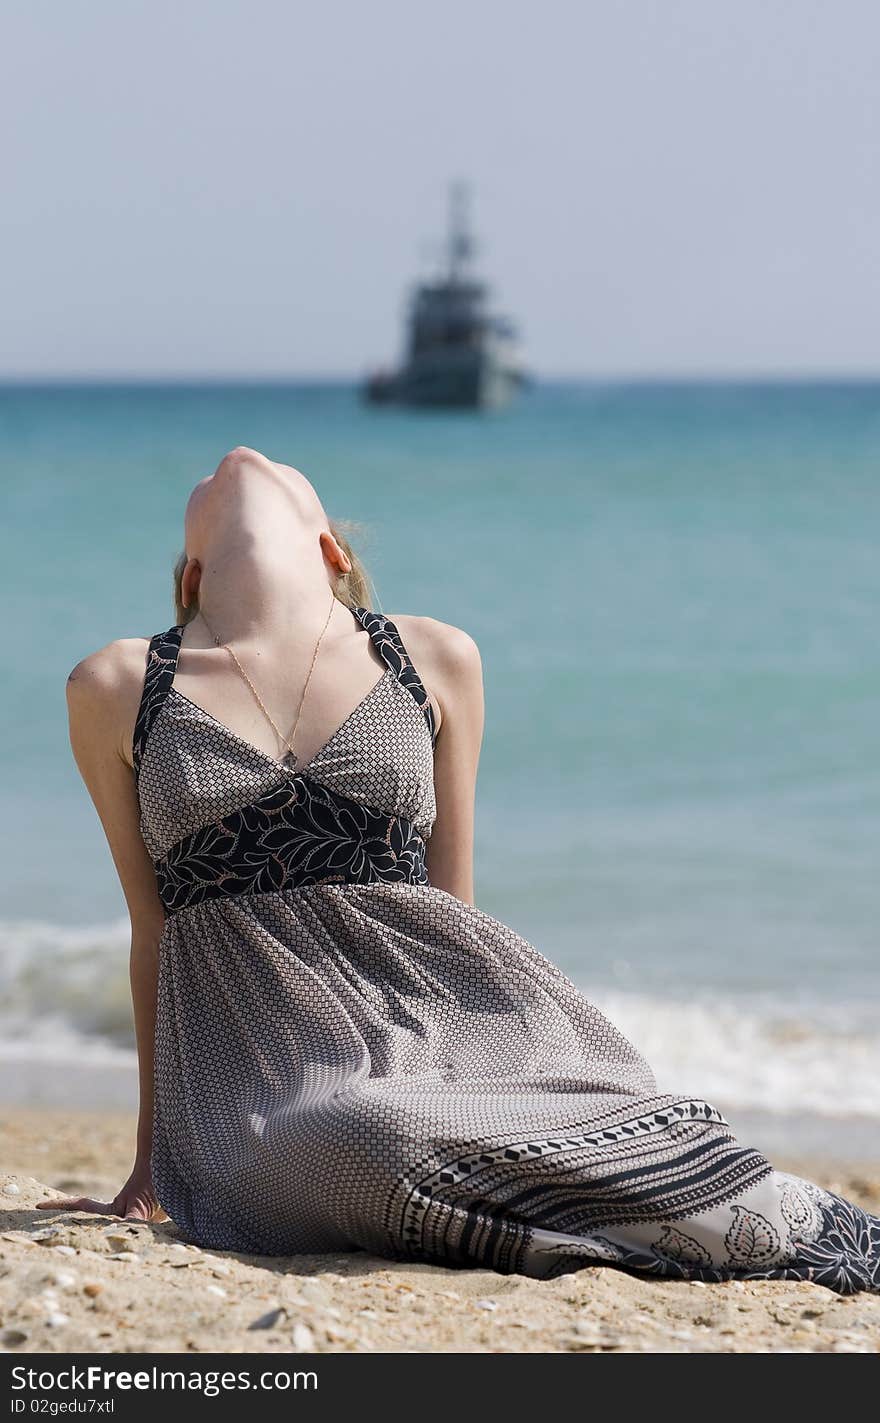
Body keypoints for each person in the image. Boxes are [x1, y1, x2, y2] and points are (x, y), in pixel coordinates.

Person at [40, 446, 879, 1294]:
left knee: (606, 1123)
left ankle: (808, 1235)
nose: (240, 460)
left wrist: (479, 1061)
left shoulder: (432, 657)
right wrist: (152, 1163)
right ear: (191, 577)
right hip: (266, 1077)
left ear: (332, 552)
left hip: (444, 1025)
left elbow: (455, 908)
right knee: (371, 1129)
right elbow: (153, 928)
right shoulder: (117, 684)